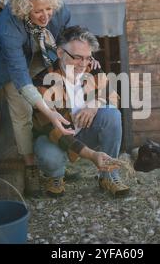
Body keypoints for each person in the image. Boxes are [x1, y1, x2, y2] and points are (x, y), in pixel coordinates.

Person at [0, 0, 99, 196]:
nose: (45, 15)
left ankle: (56, 162)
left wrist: (83, 56)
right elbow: (19, 72)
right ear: (24, 7)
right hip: (9, 59)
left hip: (39, 50)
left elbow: (67, 40)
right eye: (38, 11)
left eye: (48, 9)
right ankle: (31, 167)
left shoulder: (59, 10)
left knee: (56, 93)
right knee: (22, 109)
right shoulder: (10, 25)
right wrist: (48, 113)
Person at [31, 26, 130, 197]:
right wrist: (92, 155)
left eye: (87, 58)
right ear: (60, 53)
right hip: (55, 137)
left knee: (112, 114)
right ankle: (55, 176)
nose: (83, 64)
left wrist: (95, 104)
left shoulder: (92, 68)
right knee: (48, 155)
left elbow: (114, 97)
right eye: (77, 58)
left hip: (84, 131)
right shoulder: (42, 81)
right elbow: (54, 131)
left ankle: (108, 175)